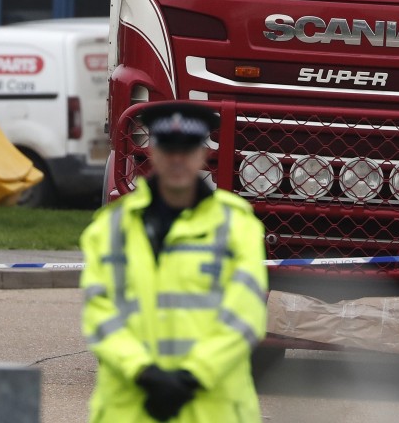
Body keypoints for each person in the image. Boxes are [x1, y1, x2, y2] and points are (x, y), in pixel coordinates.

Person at [80, 101, 268, 422]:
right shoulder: (111, 227)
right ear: (153, 152)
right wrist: (142, 373)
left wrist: (193, 376)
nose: (178, 159)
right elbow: (100, 312)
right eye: (169, 148)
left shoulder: (236, 225)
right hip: (133, 408)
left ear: (202, 153)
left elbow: (245, 314)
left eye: (188, 148)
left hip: (210, 410)